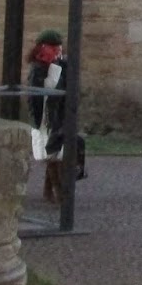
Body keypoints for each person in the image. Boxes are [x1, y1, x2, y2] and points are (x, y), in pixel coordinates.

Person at [24, 30, 84, 203]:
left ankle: (50, 190)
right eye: (53, 47)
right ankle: (58, 191)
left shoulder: (63, 65)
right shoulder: (38, 68)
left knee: (57, 152)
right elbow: (37, 94)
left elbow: (67, 88)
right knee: (51, 154)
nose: (57, 51)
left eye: (58, 47)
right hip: (44, 115)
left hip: (59, 114)